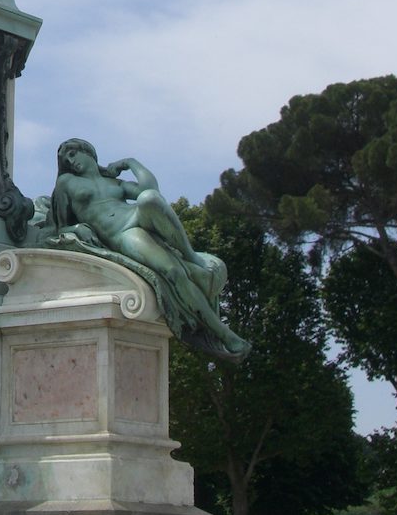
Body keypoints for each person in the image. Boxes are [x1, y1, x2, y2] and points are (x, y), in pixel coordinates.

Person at [45, 138, 249, 359]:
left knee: (149, 198)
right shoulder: (66, 182)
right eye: (66, 159)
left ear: (88, 152)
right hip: (122, 233)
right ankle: (225, 334)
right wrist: (75, 228)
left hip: (135, 216)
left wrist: (129, 162)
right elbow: (59, 226)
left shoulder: (114, 183)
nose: (70, 161)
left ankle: (191, 256)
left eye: (73, 154)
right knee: (173, 272)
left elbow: (151, 189)